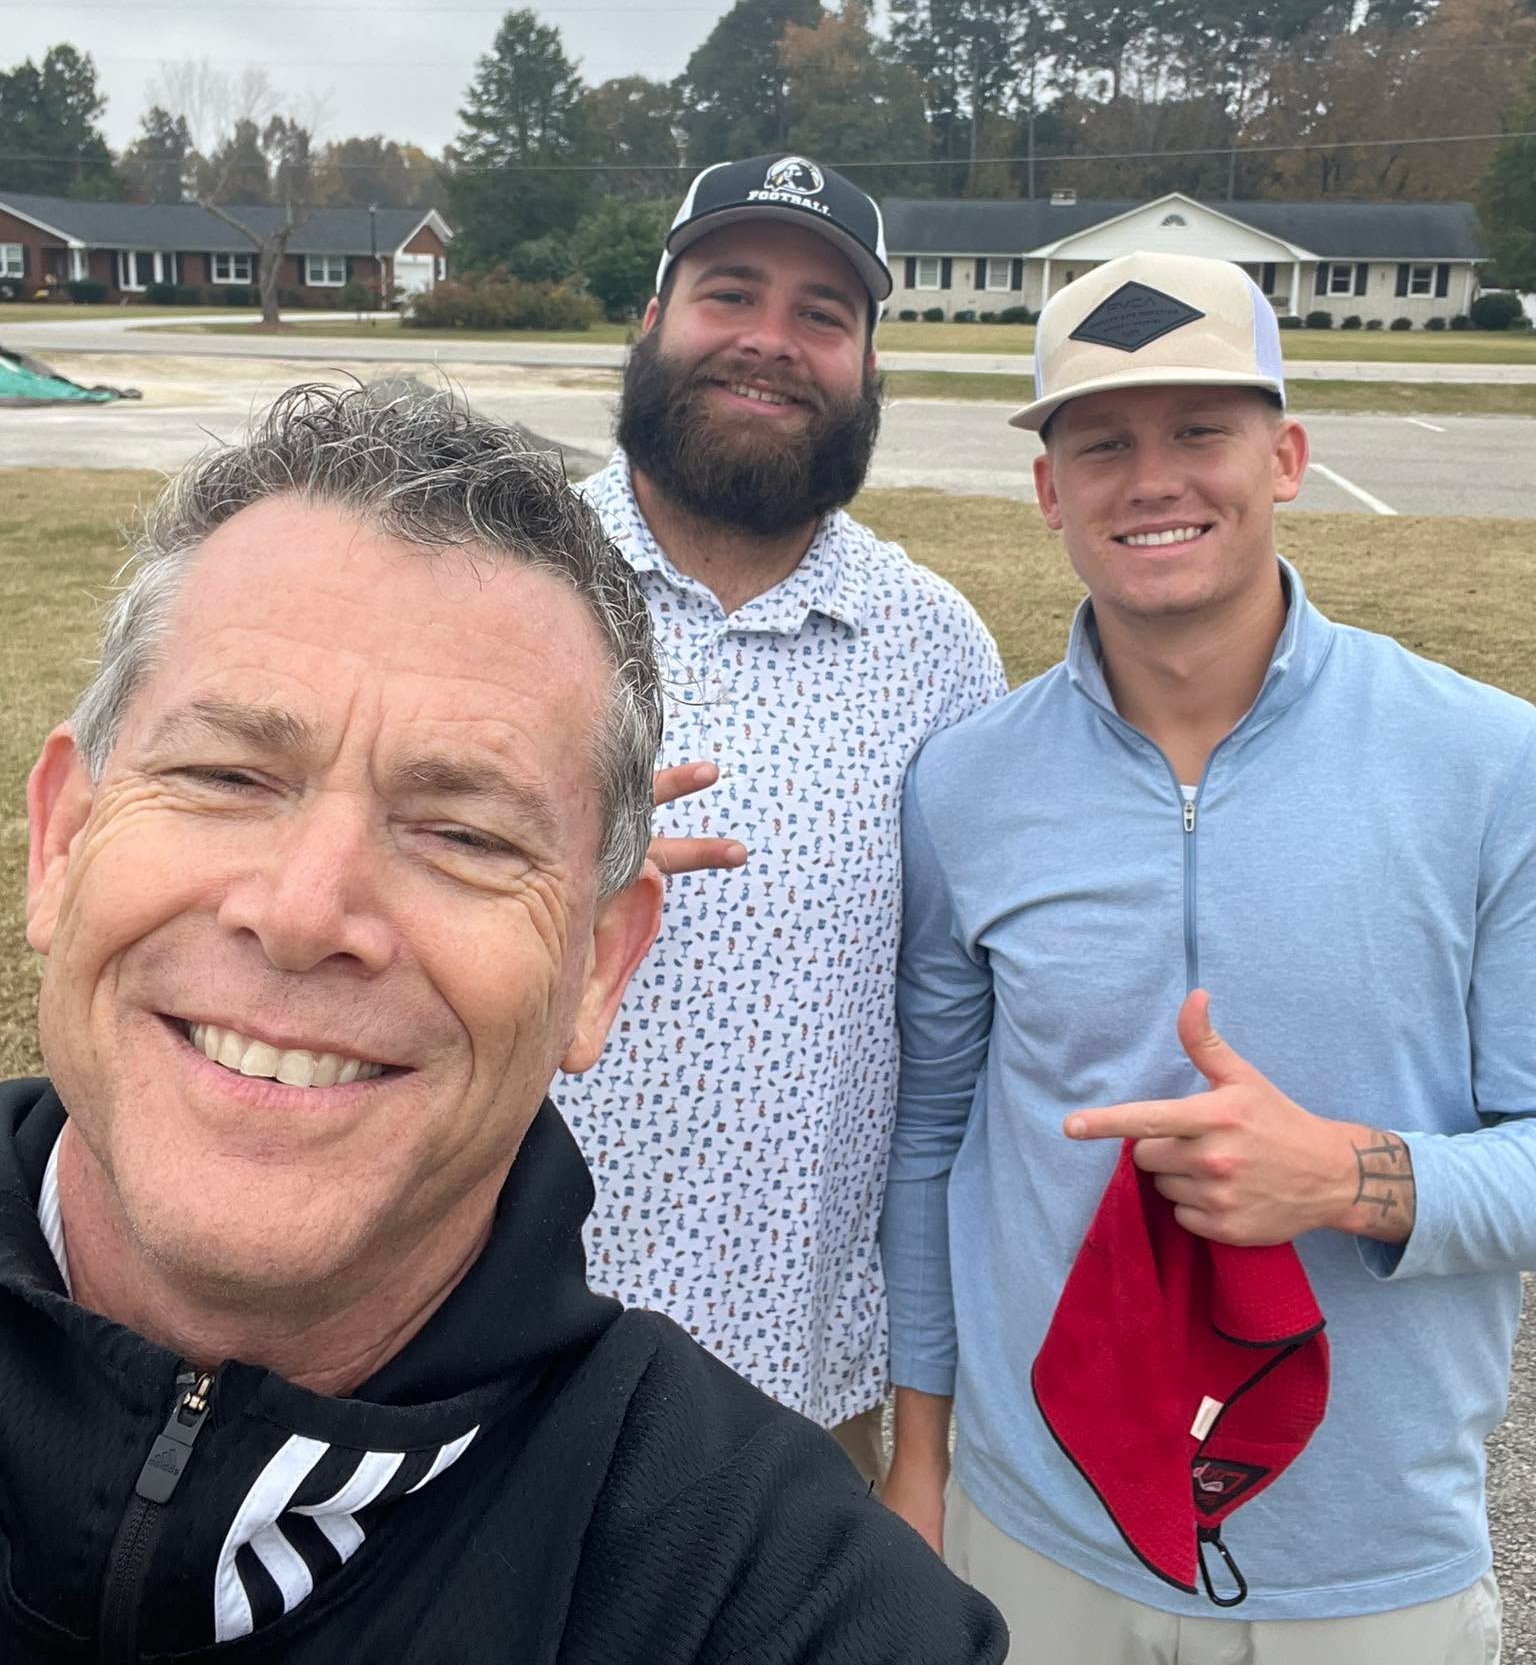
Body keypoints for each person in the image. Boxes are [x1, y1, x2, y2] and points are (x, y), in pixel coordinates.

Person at [12, 380, 1007, 1662]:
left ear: (600, 964)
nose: (305, 910)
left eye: (467, 833)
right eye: (225, 773)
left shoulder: (781, 1598)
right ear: (62, 835)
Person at [880, 252, 1533, 1662]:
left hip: (1368, 1574)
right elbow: (935, 1138)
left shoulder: (1490, 764)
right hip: (1038, 1532)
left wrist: (1351, 1179)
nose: (1151, 478)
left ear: (1286, 457)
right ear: (1050, 493)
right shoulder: (963, 786)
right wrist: (921, 1465)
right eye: (1102, 443)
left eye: (1201, 434)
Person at [559, 155, 1006, 1483]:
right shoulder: (500, 580)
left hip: (808, 1385)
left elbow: (957, 1054)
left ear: (872, 367)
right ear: (653, 324)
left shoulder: (937, 651)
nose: (769, 340)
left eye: (823, 313)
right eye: (729, 293)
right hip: (493, 1352)